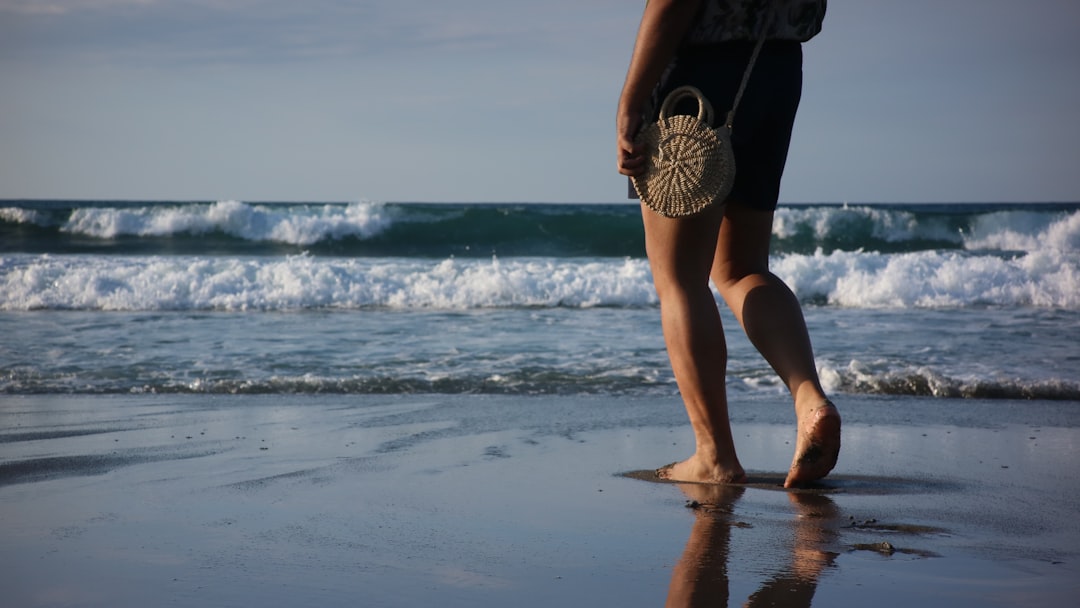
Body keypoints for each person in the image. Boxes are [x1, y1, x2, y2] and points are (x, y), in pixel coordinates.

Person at [616, 0, 840, 488]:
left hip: (698, 73)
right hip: (777, 69)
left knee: (678, 278)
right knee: (739, 267)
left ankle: (713, 456)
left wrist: (631, 99)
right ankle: (810, 401)